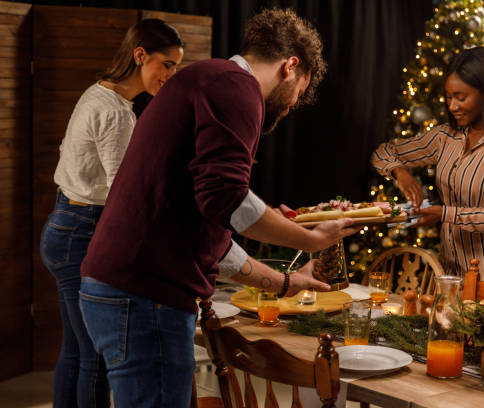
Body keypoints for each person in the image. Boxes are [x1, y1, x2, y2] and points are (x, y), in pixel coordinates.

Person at [78, 8, 358, 408]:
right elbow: (226, 199)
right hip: (144, 295)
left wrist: (285, 283)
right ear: (291, 66)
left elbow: (210, 225)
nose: (294, 103)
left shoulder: (207, 79)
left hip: (120, 289)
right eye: (300, 90)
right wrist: (309, 239)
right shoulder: (236, 88)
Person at [39, 19, 184, 408]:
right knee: (96, 358)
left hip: (63, 224)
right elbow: (126, 192)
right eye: (166, 65)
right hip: (80, 232)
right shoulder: (117, 113)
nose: (170, 76)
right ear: (140, 56)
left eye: (176, 68)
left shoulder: (98, 93)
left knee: (75, 350)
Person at [372, 46, 484, 281]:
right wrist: (400, 172)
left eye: (461, 97)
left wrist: (447, 214)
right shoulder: (445, 137)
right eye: (448, 97)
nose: (452, 106)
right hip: (450, 273)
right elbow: (382, 152)